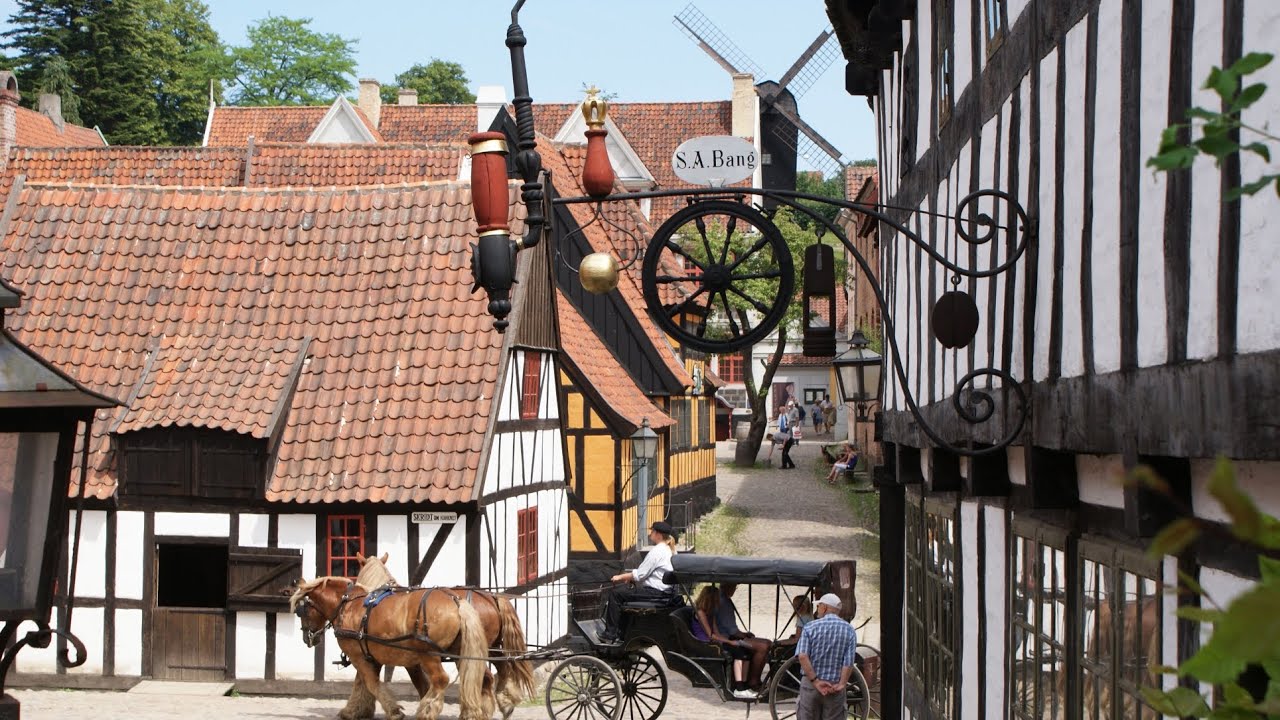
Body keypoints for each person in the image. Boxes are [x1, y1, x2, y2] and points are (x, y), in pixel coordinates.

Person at [600, 521, 678, 643]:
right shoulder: (669, 550)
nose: (650, 533)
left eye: (652, 531)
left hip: (655, 592)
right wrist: (629, 578)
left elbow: (640, 574)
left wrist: (619, 577)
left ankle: (609, 634)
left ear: (658, 535)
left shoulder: (658, 551)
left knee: (616, 594)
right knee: (624, 594)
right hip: (664, 592)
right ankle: (623, 633)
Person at [796, 593, 858, 720]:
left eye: (818, 606)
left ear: (824, 607)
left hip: (810, 686)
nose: (817, 609)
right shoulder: (849, 630)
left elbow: (802, 656)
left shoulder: (810, 627)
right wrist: (842, 684)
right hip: (834, 688)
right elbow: (849, 662)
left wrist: (816, 681)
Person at [692, 586, 756, 700]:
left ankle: (744, 685)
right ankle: (739, 688)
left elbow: (716, 632)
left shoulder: (711, 612)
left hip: (716, 640)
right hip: (706, 642)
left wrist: (731, 641)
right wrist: (730, 642)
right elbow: (710, 635)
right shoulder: (700, 612)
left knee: (745, 652)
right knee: (739, 653)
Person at [715, 583, 771, 693]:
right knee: (764, 646)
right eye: (734, 587)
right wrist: (745, 635)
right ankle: (753, 681)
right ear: (727, 586)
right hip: (728, 638)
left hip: (729, 635)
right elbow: (733, 631)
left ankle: (754, 679)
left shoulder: (723, 599)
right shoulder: (723, 602)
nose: (734, 589)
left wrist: (745, 634)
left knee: (767, 643)